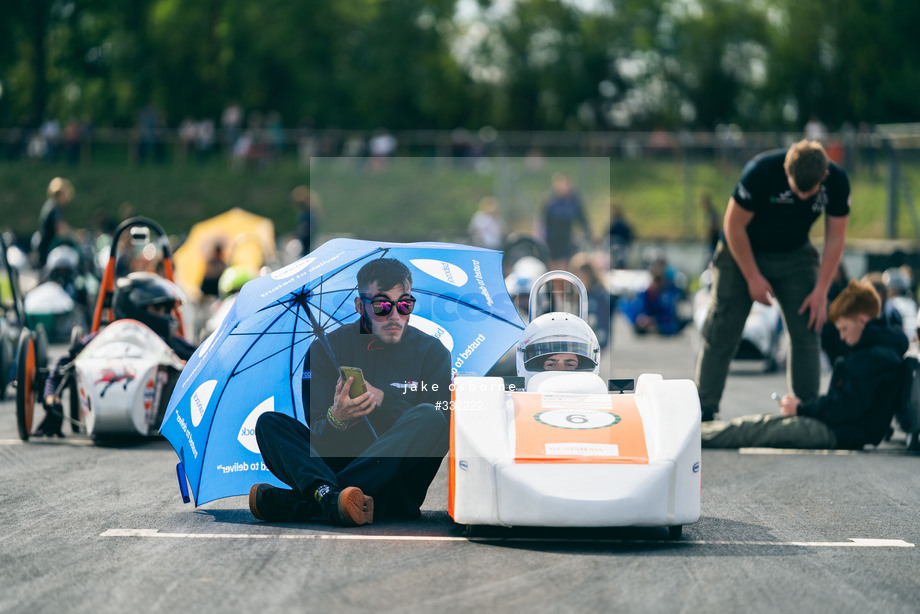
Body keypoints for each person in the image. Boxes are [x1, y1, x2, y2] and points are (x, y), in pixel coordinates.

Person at [249, 258, 451, 526]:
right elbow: (319, 436)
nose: (394, 315)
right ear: (360, 306)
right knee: (269, 423)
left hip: (398, 486)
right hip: (339, 462)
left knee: (433, 416)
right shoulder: (324, 350)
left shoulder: (433, 352)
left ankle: (321, 498)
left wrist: (382, 401)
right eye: (382, 305)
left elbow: (440, 431)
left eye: (404, 305)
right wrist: (337, 418)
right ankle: (338, 499)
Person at [695, 139, 850, 421]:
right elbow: (733, 225)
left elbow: (835, 238)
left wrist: (821, 291)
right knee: (724, 325)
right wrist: (752, 277)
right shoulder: (761, 172)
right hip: (742, 248)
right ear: (785, 171)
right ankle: (704, 405)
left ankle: (805, 408)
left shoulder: (836, 180)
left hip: (795, 253)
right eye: (796, 190)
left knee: (809, 322)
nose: (803, 198)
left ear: (823, 176)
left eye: (810, 191)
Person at [701, 280, 907, 450]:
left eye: (844, 329)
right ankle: (700, 433)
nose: (843, 337)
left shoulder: (875, 358)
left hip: (837, 433)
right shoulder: (877, 351)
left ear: (862, 321)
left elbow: (844, 408)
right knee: (758, 425)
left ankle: (697, 437)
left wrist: (801, 408)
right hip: (839, 429)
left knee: (756, 429)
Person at [34, 272, 195, 437]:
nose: (167, 316)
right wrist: (51, 398)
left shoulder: (172, 342)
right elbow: (64, 364)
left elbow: (201, 357)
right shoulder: (103, 336)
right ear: (135, 308)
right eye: (159, 308)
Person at [543, 173, 592, 273]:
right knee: (553, 270)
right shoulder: (551, 202)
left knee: (564, 269)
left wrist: (590, 233)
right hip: (552, 241)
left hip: (566, 241)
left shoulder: (574, 202)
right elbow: (543, 223)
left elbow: (583, 220)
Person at [36, 177, 74, 268]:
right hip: (49, 248)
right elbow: (59, 228)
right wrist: (75, 235)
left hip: (45, 246)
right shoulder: (55, 207)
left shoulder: (51, 205)